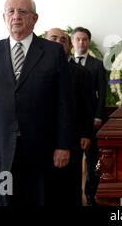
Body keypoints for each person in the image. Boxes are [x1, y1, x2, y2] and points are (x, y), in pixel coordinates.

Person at [0, 0, 75, 206]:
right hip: (2, 153)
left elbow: (65, 103)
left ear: (35, 18)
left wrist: (63, 144)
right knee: (7, 200)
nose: (16, 16)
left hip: (43, 150)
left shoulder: (53, 52)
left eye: (23, 12)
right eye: (11, 11)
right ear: (4, 17)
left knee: (41, 200)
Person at [44, 28, 95, 206]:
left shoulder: (82, 73)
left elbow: (87, 106)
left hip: (72, 139)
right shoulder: (34, 70)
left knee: (70, 186)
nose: (58, 42)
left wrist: (86, 133)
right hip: (41, 139)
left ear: (69, 46)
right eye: (53, 38)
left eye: (63, 40)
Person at [71, 26, 106, 206]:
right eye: (78, 39)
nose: (81, 42)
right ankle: (74, 197)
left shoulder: (97, 65)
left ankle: (91, 196)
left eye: (84, 39)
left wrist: (98, 117)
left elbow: (102, 93)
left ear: (89, 42)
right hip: (70, 123)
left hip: (91, 121)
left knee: (93, 163)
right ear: (72, 41)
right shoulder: (64, 63)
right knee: (72, 163)